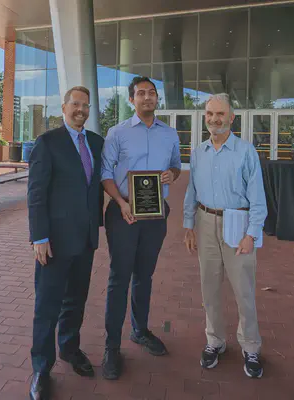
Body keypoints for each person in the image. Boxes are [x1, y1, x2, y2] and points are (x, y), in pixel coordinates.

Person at [100, 76, 181, 380]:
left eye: (152, 93)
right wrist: (121, 203)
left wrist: (172, 174)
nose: (147, 97)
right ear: (131, 100)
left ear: (157, 99)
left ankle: (140, 330)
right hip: (123, 214)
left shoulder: (169, 134)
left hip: (155, 216)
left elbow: (176, 164)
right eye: (141, 94)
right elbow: (105, 173)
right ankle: (111, 346)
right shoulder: (117, 133)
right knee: (119, 277)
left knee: (144, 275)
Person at [27, 86, 104, 400]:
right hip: (54, 243)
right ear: (64, 107)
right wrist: (39, 237)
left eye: (85, 105)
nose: (81, 110)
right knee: (47, 307)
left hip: (85, 240)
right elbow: (35, 194)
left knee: (76, 301)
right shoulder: (48, 143)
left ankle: (70, 350)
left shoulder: (97, 143)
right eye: (75, 104)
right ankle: (41, 369)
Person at [183, 93, 267, 379]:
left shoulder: (246, 152)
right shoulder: (198, 153)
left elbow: (258, 199)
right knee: (210, 288)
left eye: (220, 114)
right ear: (205, 117)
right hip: (206, 222)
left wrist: (251, 235)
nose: (214, 119)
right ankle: (215, 340)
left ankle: (251, 345)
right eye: (209, 114)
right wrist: (188, 225)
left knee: (243, 289)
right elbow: (191, 191)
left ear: (232, 118)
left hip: (237, 224)